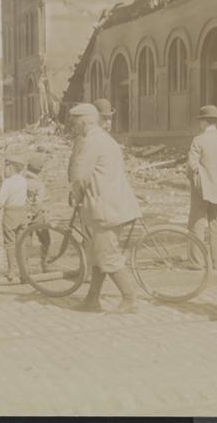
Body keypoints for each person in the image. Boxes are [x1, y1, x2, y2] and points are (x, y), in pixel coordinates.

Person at [68, 103, 142, 314]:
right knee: (97, 254)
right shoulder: (105, 139)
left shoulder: (91, 142)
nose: (73, 127)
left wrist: (75, 195)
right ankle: (92, 300)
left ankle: (129, 298)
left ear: (83, 122)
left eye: (75, 123)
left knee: (107, 256)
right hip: (114, 205)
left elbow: (80, 176)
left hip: (104, 209)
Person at [186, 105, 217, 271]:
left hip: (201, 188)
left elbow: (192, 165)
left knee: (197, 223)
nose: (200, 124)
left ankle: (197, 261)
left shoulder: (198, 140)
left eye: (201, 121)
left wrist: (195, 178)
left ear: (205, 122)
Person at [0, 154, 28, 281]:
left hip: (10, 213)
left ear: (10, 167)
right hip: (22, 212)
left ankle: (11, 270)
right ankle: (23, 271)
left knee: (10, 243)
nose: (4, 171)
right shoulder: (23, 181)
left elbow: (0, 202)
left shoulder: (8, 182)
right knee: (21, 243)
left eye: (5, 167)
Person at [25, 153, 52, 272]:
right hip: (36, 215)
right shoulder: (38, 183)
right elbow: (39, 202)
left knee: (26, 241)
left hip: (23, 213)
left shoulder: (21, 179)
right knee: (46, 240)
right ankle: (44, 263)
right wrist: (34, 212)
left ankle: (24, 266)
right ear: (40, 170)